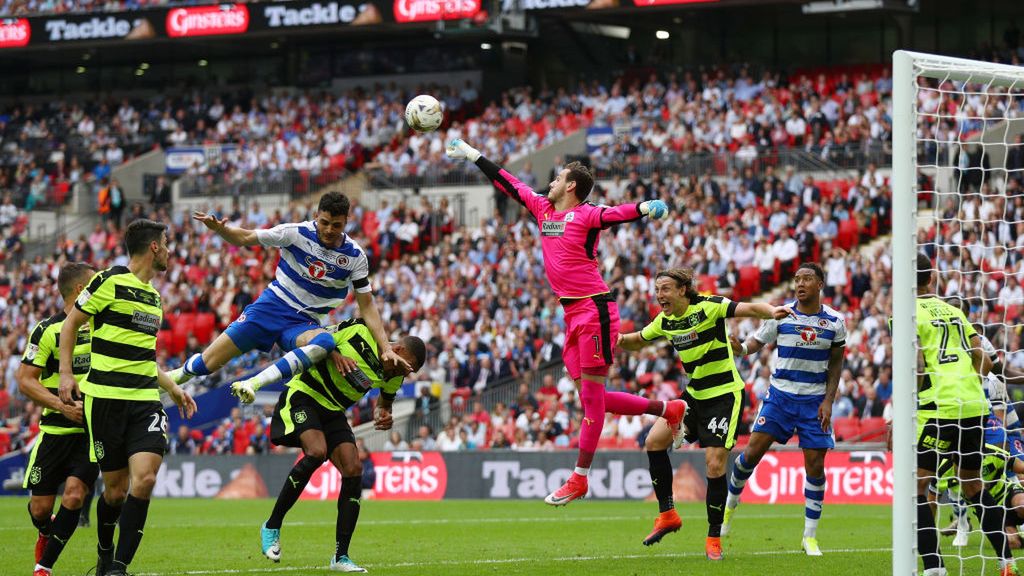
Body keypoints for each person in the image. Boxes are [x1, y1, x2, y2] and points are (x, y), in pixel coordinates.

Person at [446, 138, 686, 506]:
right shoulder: (543, 210)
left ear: (571, 185)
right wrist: (472, 154)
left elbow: (614, 213)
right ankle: (668, 409)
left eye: (558, 178)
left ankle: (579, 477)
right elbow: (510, 183)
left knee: (592, 403)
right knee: (595, 399)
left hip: (595, 309)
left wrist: (643, 207)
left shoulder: (586, 214)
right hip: (571, 314)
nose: (551, 183)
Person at [616, 267, 793, 560]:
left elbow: (748, 307)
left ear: (683, 289)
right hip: (695, 396)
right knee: (654, 441)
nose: (660, 295)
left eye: (666, 289)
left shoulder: (710, 307)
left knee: (714, 465)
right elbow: (638, 339)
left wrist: (771, 311)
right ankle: (668, 514)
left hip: (724, 396)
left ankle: (713, 539)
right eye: (658, 290)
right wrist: (619, 340)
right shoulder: (665, 320)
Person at [58, 219, 197, 576]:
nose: (169, 249)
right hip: (105, 401)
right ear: (153, 247)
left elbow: (145, 358)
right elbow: (71, 323)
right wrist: (65, 373)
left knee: (146, 479)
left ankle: (118, 567)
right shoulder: (107, 281)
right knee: (115, 492)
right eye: (165, 243)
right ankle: (105, 554)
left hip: (144, 402)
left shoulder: (154, 297)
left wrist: (173, 388)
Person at [169, 192, 408, 394]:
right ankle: (165, 380)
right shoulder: (294, 233)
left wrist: (386, 348)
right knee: (207, 363)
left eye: (336, 225)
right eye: (324, 222)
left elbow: (367, 305)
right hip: (270, 308)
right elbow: (245, 238)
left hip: (305, 322)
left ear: (346, 222)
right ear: (316, 216)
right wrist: (221, 230)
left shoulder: (355, 257)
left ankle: (252, 384)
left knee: (324, 341)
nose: (328, 230)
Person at [237, 318, 425, 572]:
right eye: (407, 366)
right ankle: (272, 525)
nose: (405, 373)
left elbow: (384, 404)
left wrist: (384, 414)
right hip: (305, 395)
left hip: (333, 412)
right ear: (399, 350)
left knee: (354, 470)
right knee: (316, 452)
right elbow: (313, 340)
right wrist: (333, 354)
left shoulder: (393, 376)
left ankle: (341, 557)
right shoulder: (360, 331)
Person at [899, 253, 1014, 576]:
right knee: (973, 485)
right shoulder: (954, 311)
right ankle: (1007, 563)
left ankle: (934, 568)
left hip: (938, 406)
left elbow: (916, 364)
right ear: (931, 279)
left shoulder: (906, 313)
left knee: (916, 487)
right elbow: (985, 358)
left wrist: (901, 413)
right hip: (974, 403)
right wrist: (970, 384)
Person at [723, 263, 846, 556]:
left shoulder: (835, 322)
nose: (800, 284)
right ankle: (730, 504)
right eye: (797, 279)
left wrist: (828, 400)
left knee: (815, 466)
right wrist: (739, 348)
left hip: (814, 401)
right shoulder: (781, 314)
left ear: (820, 284)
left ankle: (809, 536)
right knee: (751, 453)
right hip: (780, 398)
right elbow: (755, 342)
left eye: (807, 279)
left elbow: (837, 362)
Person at [17, 262, 99, 576]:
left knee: (76, 495)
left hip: (90, 432)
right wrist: (61, 406)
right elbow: (25, 379)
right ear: (80, 290)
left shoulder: (104, 326)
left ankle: (43, 568)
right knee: (40, 509)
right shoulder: (46, 330)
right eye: (94, 284)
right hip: (54, 431)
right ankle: (44, 529)